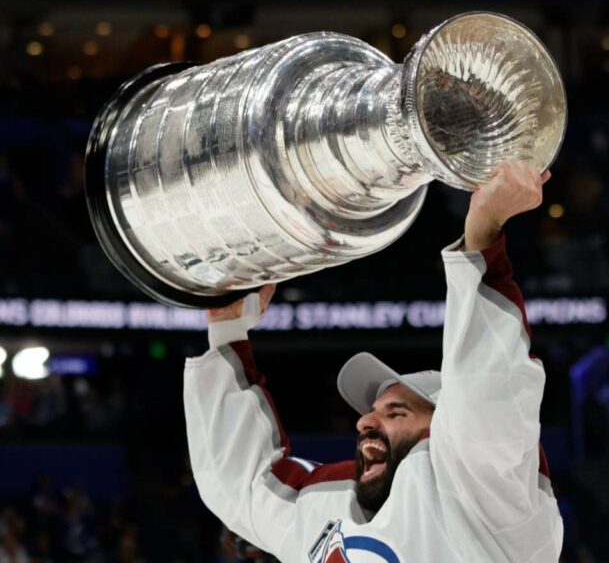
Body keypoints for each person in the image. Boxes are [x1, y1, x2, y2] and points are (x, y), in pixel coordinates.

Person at [184, 162, 562, 563]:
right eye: (374, 411)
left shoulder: (489, 501)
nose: (365, 421)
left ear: (447, 429)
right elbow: (242, 484)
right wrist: (226, 330)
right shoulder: (327, 513)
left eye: (396, 412)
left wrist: (483, 233)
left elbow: (485, 392)